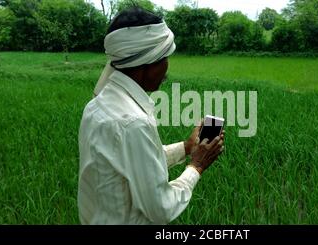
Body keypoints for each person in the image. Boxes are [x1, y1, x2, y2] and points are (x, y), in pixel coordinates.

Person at [78, 7, 225, 225]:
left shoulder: (97, 106)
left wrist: (186, 147)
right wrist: (197, 166)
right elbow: (161, 208)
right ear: (146, 63)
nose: (166, 68)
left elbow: (135, 165)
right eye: (164, 58)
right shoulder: (132, 123)